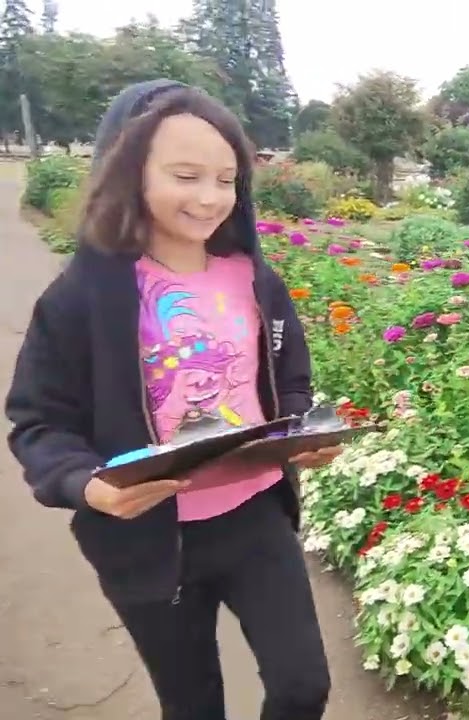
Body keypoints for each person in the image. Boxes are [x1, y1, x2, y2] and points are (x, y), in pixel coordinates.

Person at [5, 80, 339, 720]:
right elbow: (40, 421)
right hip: (147, 541)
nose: (211, 198)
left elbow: (289, 375)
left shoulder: (254, 279)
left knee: (303, 686)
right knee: (192, 706)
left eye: (226, 178)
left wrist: (300, 431)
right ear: (129, 173)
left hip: (254, 517)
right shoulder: (82, 298)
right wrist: (89, 485)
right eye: (186, 175)